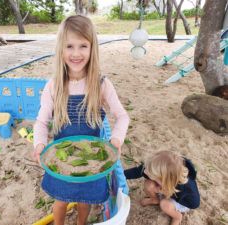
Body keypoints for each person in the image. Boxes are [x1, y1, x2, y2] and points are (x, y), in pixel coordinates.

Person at [32, 15, 129, 225]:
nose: (76, 53)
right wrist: (39, 144)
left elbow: (122, 116)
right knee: (61, 200)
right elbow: (41, 122)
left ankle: (80, 223)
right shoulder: (54, 85)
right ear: (61, 49)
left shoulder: (101, 84)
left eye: (83, 46)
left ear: (92, 48)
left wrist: (117, 140)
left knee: (84, 200)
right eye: (69, 46)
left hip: (93, 159)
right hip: (61, 158)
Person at [124, 151, 200, 225]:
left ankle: (177, 217)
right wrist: (122, 174)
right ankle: (155, 199)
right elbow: (138, 171)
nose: (146, 171)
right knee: (149, 184)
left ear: (164, 179)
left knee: (164, 204)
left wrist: (164, 191)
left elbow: (195, 204)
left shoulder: (185, 186)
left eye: (151, 173)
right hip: (165, 187)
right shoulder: (155, 167)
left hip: (181, 200)